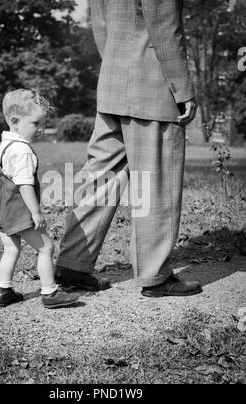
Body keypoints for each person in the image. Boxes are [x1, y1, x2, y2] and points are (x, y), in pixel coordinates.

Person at [55, 0, 203, 298]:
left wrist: (116, 65)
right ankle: (155, 276)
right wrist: (182, 89)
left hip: (113, 83)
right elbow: (164, 27)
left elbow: (100, 25)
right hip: (151, 87)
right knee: (156, 182)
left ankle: (73, 264)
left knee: (100, 178)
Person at [0, 89, 80, 309]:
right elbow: (25, 185)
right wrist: (35, 212)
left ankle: (4, 290)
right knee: (45, 247)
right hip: (20, 211)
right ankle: (50, 292)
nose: (40, 129)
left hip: (1, 209)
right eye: (36, 123)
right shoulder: (22, 151)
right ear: (15, 121)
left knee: (10, 250)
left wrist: (0, 204)